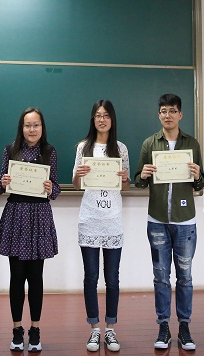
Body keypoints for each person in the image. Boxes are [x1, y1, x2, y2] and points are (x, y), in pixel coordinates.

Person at [134, 93, 204, 351]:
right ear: (159, 114)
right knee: (161, 277)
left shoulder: (192, 144)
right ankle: (163, 326)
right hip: (158, 220)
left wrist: (197, 176)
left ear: (180, 114)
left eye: (172, 110)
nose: (168, 115)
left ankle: (184, 326)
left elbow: (200, 184)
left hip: (185, 221)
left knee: (185, 276)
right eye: (163, 111)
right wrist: (143, 174)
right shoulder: (149, 143)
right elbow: (138, 182)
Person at [0, 107, 60, 353]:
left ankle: (35, 330)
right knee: (17, 277)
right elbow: (0, 186)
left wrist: (51, 187)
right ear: (21, 128)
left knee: (36, 277)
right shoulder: (10, 149)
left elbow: (55, 190)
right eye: (28, 125)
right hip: (16, 215)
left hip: (39, 217)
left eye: (36, 125)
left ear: (42, 127)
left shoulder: (49, 151)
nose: (32, 129)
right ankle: (17, 330)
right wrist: (3, 182)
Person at [72, 100, 130, 353]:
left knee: (113, 278)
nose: (102, 119)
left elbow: (125, 186)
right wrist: (79, 175)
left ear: (112, 119)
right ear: (92, 119)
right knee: (91, 277)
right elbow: (76, 185)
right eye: (98, 115)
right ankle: (94, 329)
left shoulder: (121, 148)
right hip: (89, 218)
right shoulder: (83, 147)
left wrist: (125, 179)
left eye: (106, 115)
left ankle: (111, 329)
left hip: (112, 219)